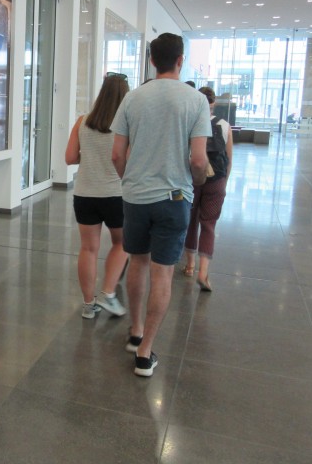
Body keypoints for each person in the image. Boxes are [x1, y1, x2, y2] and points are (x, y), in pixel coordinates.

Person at [111, 32, 210, 377]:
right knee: (162, 271)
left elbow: (117, 154)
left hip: (136, 196)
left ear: (152, 60)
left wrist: (129, 179)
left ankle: (135, 330)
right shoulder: (195, 101)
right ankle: (145, 351)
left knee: (136, 263)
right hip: (174, 198)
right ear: (180, 60)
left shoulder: (132, 99)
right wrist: (193, 183)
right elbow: (199, 161)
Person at [65, 72, 130, 319]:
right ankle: (108, 292)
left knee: (88, 249)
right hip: (116, 194)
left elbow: (70, 158)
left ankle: (88, 304)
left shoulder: (83, 121)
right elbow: (128, 159)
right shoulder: (126, 124)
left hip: (85, 194)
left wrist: (90, 156)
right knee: (122, 243)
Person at [181, 87, 233, 292]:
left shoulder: (190, 124)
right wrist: (224, 182)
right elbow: (229, 160)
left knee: (190, 220)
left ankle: (190, 265)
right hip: (216, 180)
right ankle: (203, 272)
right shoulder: (225, 125)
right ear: (214, 104)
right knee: (209, 225)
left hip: (193, 180)